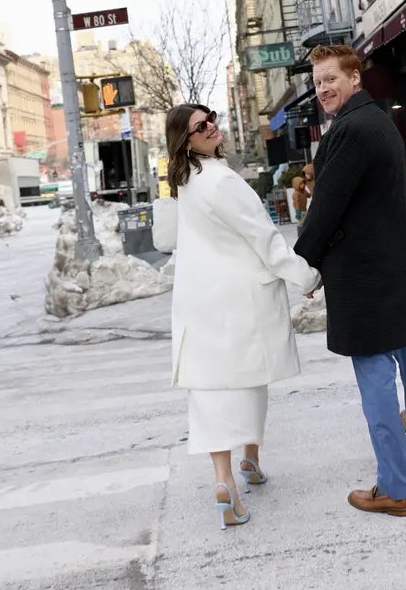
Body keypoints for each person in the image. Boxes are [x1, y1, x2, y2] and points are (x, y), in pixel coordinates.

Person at [294, 45, 406, 518]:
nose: (323, 89)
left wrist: (304, 263)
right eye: (318, 82)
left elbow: (326, 207)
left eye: (331, 78)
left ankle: (395, 488)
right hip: (392, 259)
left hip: (362, 271)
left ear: (355, 77)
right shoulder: (377, 120)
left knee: (375, 372)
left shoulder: (350, 130)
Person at [166, 103, 320, 531]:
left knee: (210, 390)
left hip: (200, 301)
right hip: (238, 298)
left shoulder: (187, 180)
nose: (211, 126)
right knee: (249, 380)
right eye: (200, 126)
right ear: (186, 141)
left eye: (210, 118)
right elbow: (264, 238)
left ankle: (227, 478)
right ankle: (246, 463)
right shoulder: (221, 181)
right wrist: (306, 276)